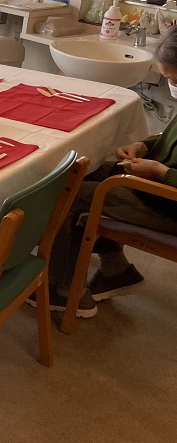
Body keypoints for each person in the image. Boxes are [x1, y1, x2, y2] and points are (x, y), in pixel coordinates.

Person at [47, 26, 177, 318]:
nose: (172, 85)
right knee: (87, 172)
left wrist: (158, 171)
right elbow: (171, 137)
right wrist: (143, 146)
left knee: (67, 195)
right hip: (160, 189)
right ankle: (115, 269)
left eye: (174, 78)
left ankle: (61, 289)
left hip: (169, 204)